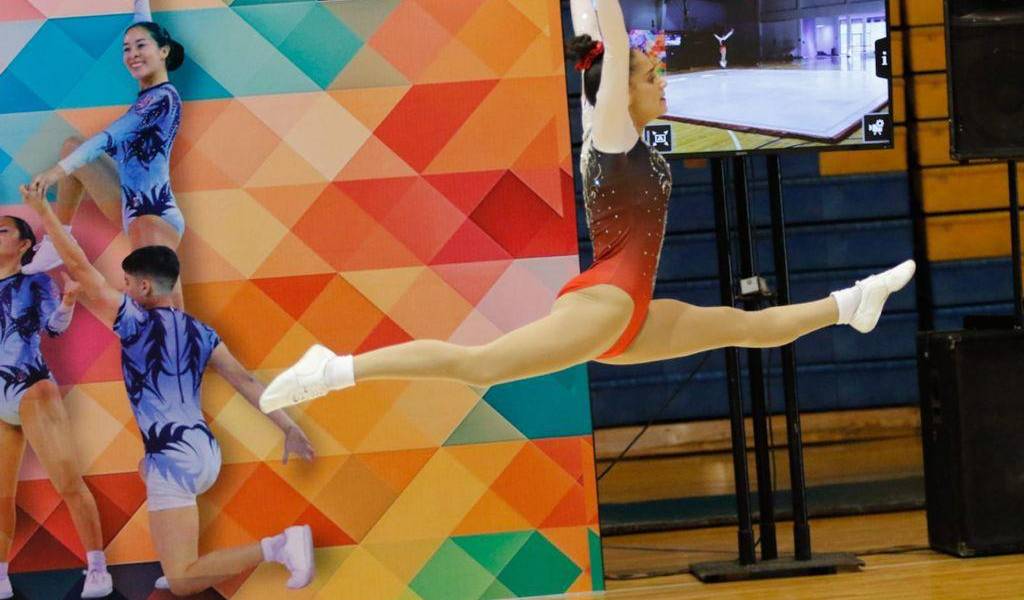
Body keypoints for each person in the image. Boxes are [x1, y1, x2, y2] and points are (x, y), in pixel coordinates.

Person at [257, 0, 915, 415]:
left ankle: (850, 305)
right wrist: (605, 28)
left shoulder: (617, 134)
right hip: (606, 303)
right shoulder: (612, 136)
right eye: (652, 76)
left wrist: (588, 25)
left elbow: (598, 51)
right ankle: (333, 369)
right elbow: (611, 50)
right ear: (621, 93)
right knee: (480, 368)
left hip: (623, 313)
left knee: (744, 327)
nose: (663, 83)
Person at [21, 185, 319, 597]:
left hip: (172, 460)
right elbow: (247, 382)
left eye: (127, 283)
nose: (124, 290)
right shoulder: (201, 331)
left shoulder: (135, 323)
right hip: (205, 452)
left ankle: (279, 546)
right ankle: (180, 554)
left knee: (180, 580)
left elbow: (79, 266)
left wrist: (45, 212)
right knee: (149, 478)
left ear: (144, 288)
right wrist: (289, 427)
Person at [26, 0, 187, 306]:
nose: (132, 54)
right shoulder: (151, 91)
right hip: (131, 204)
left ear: (163, 51)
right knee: (72, 146)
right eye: (126, 48)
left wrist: (55, 172)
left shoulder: (162, 99)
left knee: (165, 312)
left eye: (141, 46)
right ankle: (59, 238)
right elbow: (143, 23)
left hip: (153, 217)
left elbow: (107, 137)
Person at [0, 217, 112, 599]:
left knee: (67, 482)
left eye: (2, 231)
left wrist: (67, 302)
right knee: (2, 494)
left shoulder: (34, 282)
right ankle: (1, 575)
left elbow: (53, 328)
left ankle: (97, 567)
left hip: (30, 386)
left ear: (24, 245)